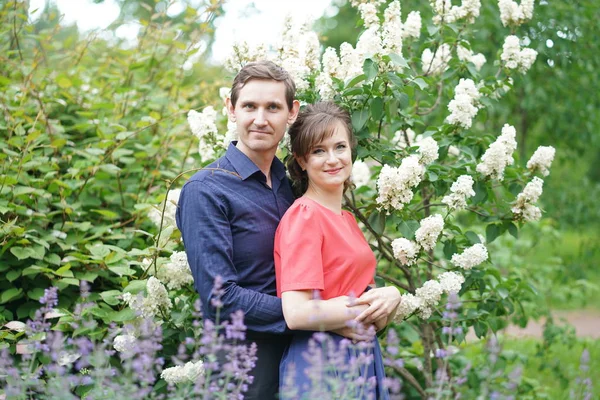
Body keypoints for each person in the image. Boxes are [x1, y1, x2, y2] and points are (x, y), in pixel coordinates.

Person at [177, 61, 398, 399]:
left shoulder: (290, 187)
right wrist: (320, 315)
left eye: (273, 107)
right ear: (231, 108)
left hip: (315, 358)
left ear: (291, 112)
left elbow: (329, 270)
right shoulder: (206, 190)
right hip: (248, 374)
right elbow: (219, 298)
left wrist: (380, 300)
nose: (260, 119)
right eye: (250, 106)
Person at [274, 102, 400, 399]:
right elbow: (297, 313)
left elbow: (363, 304)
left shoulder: (346, 219)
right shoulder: (304, 216)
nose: (332, 159)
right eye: (319, 150)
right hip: (321, 362)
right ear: (301, 160)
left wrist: (391, 299)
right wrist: (367, 308)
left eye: (340, 147)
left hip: (361, 358)